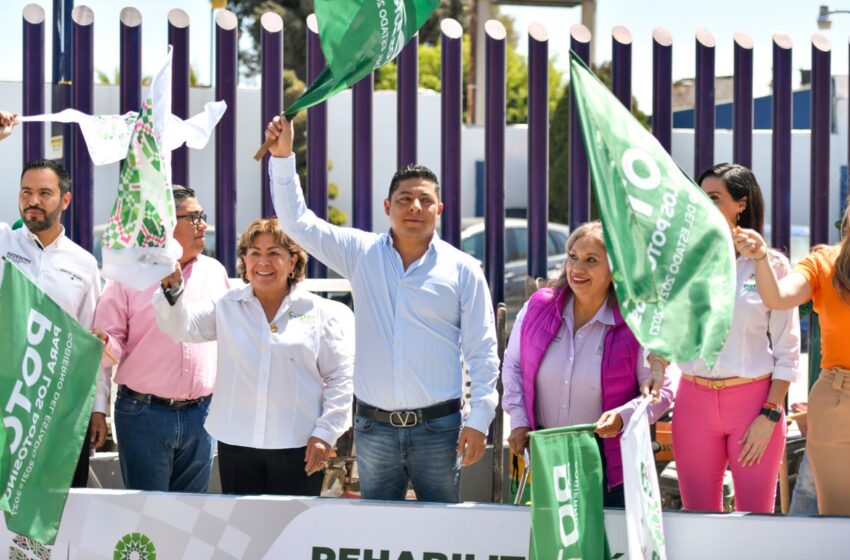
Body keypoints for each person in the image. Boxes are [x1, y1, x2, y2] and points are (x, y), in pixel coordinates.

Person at [265, 116, 499, 503]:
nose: (415, 207)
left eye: (425, 200)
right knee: (378, 538)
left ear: (439, 208)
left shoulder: (463, 270)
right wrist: (284, 157)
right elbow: (297, 222)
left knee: (440, 537)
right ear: (388, 205)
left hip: (439, 430)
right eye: (405, 199)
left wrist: (480, 419)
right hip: (375, 431)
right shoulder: (361, 254)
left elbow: (483, 352)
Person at [154, 218, 354, 496]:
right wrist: (172, 288)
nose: (263, 262)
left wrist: (325, 433)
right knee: (241, 535)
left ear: (293, 260)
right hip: (237, 444)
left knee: (292, 534)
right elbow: (180, 327)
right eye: (255, 253)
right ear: (244, 260)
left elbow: (340, 377)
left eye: (274, 253)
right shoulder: (226, 306)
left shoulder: (319, 311)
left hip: (301, 447)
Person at [502, 221, 673, 507]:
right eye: (573, 257)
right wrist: (519, 421)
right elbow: (513, 367)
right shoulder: (538, 306)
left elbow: (662, 390)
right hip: (547, 458)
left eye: (591, 260)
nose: (577, 269)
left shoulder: (635, 322)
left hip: (609, 467)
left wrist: (623, 417)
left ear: (615, 271)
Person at [672, 164, 800, 513]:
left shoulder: (772, 265)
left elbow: (789, 352)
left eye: (714, 198)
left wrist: (770, 415)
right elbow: (666, 335)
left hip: (754, 407)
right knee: (697, 518)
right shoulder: (685, 266)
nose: (704, 205)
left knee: (756, 520)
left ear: (740, 205)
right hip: (693, 403)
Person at [93, 185, 230, 492]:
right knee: (147, 520)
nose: (203, 226)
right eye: (193, 217)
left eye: (202, 216)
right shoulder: (128, 276)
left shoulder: (215, 273)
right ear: (165, 225)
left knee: (190, 518)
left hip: (202, 415)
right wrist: (103, 343)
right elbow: (110, 343)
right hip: (144, 415)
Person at [0, 112, 110, 488]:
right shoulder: (3, 242)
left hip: (59, 410)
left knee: (60, 510)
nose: (33, 201)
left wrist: (98, 409)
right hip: (6, 405)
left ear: (64, 199)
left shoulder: (83, 263)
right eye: (26, 192)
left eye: (44, 194)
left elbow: (92, 342)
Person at [735, 197, 850, 515]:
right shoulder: (823, 263)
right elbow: (776, 297)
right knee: (838, 519)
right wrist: (759, 258)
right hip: (837, 397)